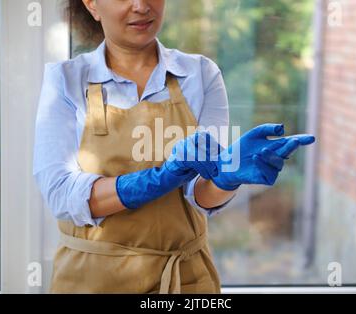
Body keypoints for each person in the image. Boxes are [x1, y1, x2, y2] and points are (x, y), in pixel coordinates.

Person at [32, 0, 315, 293]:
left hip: (184, 280)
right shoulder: (66, 81)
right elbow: (62, 194)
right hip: (91, 279)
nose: (141, 6)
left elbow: (200, 195)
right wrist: (159, 179)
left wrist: (228, 177)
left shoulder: (201, 75)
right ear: (91, 4)